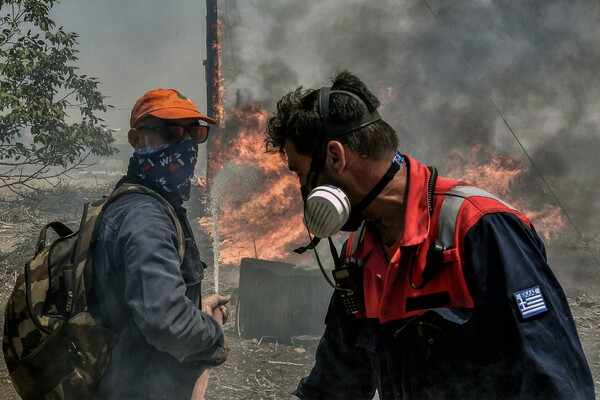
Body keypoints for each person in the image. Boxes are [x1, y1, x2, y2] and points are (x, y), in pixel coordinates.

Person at [264, 71, 595, 399]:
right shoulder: (358, 257)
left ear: (335, 156)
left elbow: (557, 383)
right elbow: (332, 388)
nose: (303, 192)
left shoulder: (479, 226)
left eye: (301, 173)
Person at [89, 89, 231, 400]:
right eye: (169, 133)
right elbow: (167, 322)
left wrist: (194, 309)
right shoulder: (146, 218)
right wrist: (213, 337)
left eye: (194, 133)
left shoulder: (143, 203)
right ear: (135, 139)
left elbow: (147, 300)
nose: (185, 146)